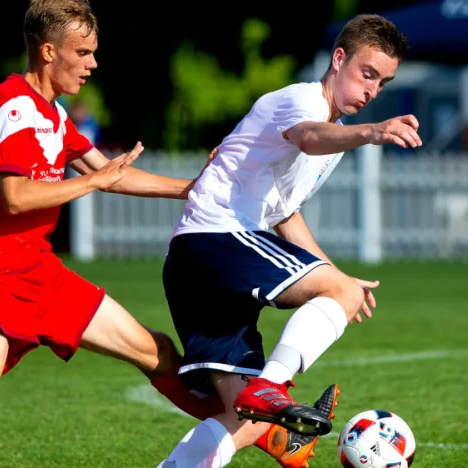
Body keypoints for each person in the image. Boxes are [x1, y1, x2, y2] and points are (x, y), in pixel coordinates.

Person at [0, 1, 228, 466]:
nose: (92, 64)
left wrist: (191, 190)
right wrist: (94, 181)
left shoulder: (51, 114)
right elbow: (16, 196)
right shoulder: (9, 105)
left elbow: (110, 173)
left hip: (40, 273)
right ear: (49, 52)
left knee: (158, 352)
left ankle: (258, 436)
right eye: (84, 52)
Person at [158, 14, 419, 468]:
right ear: (339, 59)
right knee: (273, 389)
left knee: (248, 418)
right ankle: (273, 385)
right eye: (367, 74)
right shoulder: (300, 101)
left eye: (383, 82)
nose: (372, 91)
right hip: (216, 236)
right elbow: (310, 137)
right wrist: (371, 133)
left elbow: (282, 213)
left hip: (192, 260)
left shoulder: (332, 131)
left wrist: (336, 278)